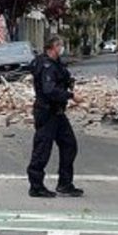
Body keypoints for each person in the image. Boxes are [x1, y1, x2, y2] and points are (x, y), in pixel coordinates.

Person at [27, 36, 84, 198]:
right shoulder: (46, 66)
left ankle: (65, 183)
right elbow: (49, 90)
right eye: (60, 46)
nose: (62, 49)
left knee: (69, 145)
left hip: (58, 112)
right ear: (53, 47)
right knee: (42, 149)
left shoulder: (55, 64)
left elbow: (63, 77)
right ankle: (36, 186)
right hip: (47, 112)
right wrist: (70, 95)